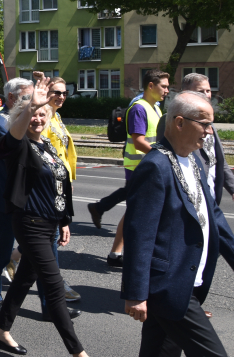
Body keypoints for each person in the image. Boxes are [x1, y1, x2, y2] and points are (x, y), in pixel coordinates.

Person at [123, 91, 234, 357]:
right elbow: (140, 234)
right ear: (180, 122)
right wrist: (136, 293)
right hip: (168, 284)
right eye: (204, 123)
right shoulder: (156, 166)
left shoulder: (194, 158)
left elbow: (213, 214)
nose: (209, 132)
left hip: (190, 278)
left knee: (158, 352)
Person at [0, 77, 87, 357]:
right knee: (55, 288)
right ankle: (78, 352)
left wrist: (65, 220)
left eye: (42, 114)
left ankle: (0, 331)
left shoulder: (47, 146)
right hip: (30, 223)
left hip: (49, 224)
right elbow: (10, 141)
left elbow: (60, 183)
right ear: (21, 117)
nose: (38, 118)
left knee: (23, 281)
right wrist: (30, 107)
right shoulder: (18, 146)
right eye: (32, 114)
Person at [88, 69, 170, 267]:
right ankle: (127, 255)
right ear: (151, 85)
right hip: (138, 167)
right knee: (138, 212)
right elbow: (138, 140)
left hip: (149, 165)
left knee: (136, 211)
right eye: (164, 86)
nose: (167, 90)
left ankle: (116, 254)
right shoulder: (139, 108)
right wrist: (164, 155)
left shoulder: (156, 108)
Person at [0, 78, 33, 315]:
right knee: (1, 252)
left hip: (28, 198)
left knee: (39, 250)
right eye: (26, 97)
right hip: (8, 200)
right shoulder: (0, 122)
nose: (31, 103)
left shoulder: (25, 118)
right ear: (11, 98)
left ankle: (50, 300)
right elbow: (10, 159)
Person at [155, 73, 234, 205]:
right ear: (186, 93)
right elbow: (166, 158)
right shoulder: (171, 120)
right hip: (188, 199)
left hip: (211, 198)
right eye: (200, 91)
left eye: (208, 90)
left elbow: (218, 161)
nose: (206, 95)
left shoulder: (208, 123)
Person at [42, 77, 81, 303]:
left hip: (61, 182)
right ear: (46, 92)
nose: (62, 96)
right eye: (57, 92)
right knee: (53, 235)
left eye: (65, 93)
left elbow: (64, 152)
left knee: (48, 238)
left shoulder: (56, 116)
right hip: (50, 183)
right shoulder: (44, 116)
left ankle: (13, 258)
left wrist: (69, 181)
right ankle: (56, 287)